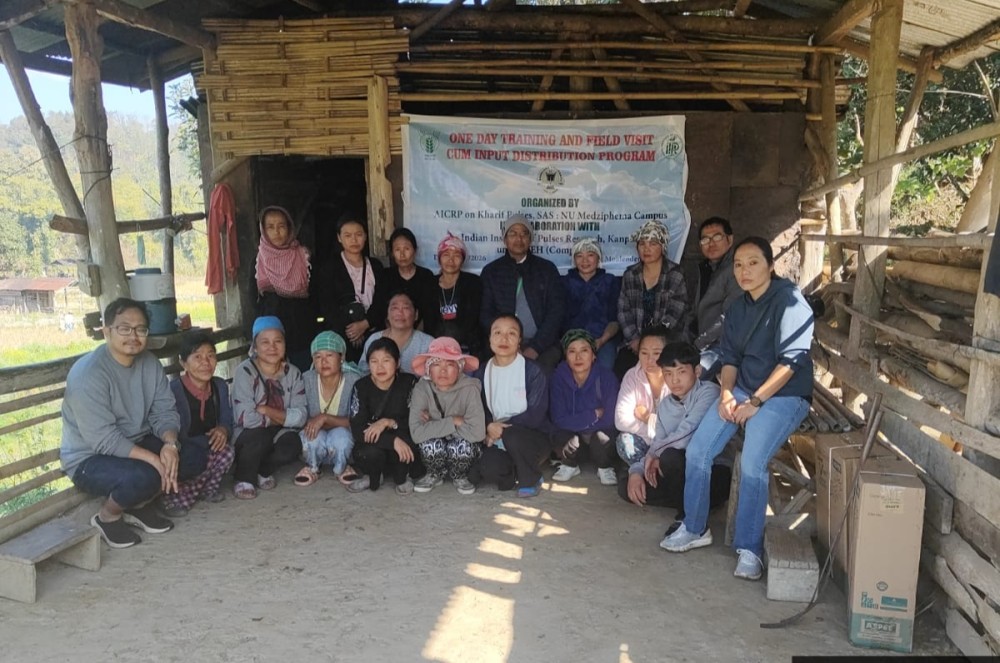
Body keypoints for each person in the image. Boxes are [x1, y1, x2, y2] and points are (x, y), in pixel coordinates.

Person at [660, 237, 814, 582]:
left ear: (771, 266)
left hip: (784, 394)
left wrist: (755, 402)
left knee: (752, 462)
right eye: (739, 265)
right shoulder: (739, 308)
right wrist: (727, 394)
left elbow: (791, 363)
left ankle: (749, 548)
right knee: (698, 450)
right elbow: (729, 358)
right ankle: (694, 527)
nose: (744, 271)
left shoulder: (789, 301)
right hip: (743, 388)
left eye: (753, 263)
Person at [60, 298, 195, 548]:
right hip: (89, 458)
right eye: (124, 328)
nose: (133, 336)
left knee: (191, 455)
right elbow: (103, 440)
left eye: (140, 329)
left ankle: (138, 505)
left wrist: (170, 444)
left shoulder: (150, 364)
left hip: (134, 443)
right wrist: (154, 459)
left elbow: (164, 410)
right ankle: (107, 517)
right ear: (106, 331)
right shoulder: (88, 375)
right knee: (145, 475)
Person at [619, 341, 732, 535]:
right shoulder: (665, 405)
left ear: (697, 371)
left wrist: (654, 455)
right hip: (679, 474)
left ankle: (686, 517)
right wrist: (637, 471)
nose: (675, 380)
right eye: (668, 374)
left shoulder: (709, 393)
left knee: (670, 457)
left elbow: (685, 435)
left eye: (681, 372)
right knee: (626, 486)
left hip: (712, 473)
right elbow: (657, 441)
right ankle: (697, 502)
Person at [471, 315, 552, 498]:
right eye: (497, 333)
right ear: (490, 338)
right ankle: (515, 474)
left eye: (511, 333)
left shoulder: (533, 371)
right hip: (496, 437)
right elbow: (477, 408)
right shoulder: (482, 372)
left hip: (531, 438)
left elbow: (535, 415)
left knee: (513, 435)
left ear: (520, 340)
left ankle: (531, 479)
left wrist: (501, 429)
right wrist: (488, 426)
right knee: (489, 466)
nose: (504, 339)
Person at [231, 316, 307, 499]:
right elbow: (246, 418)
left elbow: (301, 416)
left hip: (278, 430)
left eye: (278, 341)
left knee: (293, 444)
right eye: (265, 342)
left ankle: (263, 470)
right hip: (248, 433)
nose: (272, 347)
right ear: (255, 347)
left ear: (285, 344)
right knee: (260, 438)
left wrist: (267, 410)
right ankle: (244, 478)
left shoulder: (293, 373)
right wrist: (282, 418)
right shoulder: (245, 371)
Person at [480, 215, 565, 373]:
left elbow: (556, 313)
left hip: (541, 345)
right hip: (502, 343)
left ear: (530, 239)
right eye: (513, 234)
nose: (519, 239)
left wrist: (535, 348)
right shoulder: (491, 271)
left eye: (524, 234)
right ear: (505, 239)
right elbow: (485, 314)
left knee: (540, 375)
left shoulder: (546, 269)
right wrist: (508, 344)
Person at [163, 332, 235, 517]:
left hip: (207, 445)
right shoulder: (173, 391)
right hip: (184, 449)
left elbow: (227, 418)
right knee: (194, 459)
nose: (206, 362)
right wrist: (202, 444)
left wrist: (223, 430)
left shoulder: (219, 385)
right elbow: (173, 432)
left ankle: (204, 490)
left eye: (210, 355)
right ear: (183, 363)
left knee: (227, 451)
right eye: (197, 357)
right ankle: (178, 495)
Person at [347, 337, 426, 494]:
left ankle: (403, 476)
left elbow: (416, 420)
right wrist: (392, 441)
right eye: (374, 361)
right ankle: (373, 475)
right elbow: (357, 428)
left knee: (407, 446)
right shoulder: (361, 387)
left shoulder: (409, 383)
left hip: (403, 436)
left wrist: (388, 422)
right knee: (368, 453)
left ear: (397, 363)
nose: (380, 367)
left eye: (386, 360)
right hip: (376, 443)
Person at [409, 337, 485, 495]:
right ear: (429, 369)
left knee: (460, 447)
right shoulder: (422, 389)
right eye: (436, 364)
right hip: (444, 439)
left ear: (459, 368)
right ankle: (434, 474)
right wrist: (454, 421)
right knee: (430, 445)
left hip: (463, 445)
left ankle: (460, 476)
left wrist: (434, 424)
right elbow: (416, 433)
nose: (443, 371)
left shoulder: (470, 389)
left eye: (450, 365)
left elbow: (478, 433)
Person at [615, 219, 689, 379]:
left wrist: (652, 343)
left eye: (653, 243)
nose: (646, 249)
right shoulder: (630, 274)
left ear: (663, 247)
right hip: (635, 343)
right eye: (642, 244)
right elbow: (623, 311)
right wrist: (635, 340)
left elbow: (675, 313)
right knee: (622, 369)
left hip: (667, 341)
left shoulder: (675, 274)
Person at [549, 329, 620, 486]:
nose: (578, 357)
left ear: (593, 355)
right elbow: (558, 418)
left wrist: (582, 425)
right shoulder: (559, 377)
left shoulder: (606, 377)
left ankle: (604, 466)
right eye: (572, 351)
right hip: (574, 437)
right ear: (566, 356)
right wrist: (592, 415)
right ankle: (570, 464)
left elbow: (610, 419)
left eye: (584, 350)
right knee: (561, 436)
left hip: (598, 435)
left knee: (602, 438)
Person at [293, 331, 361, 487]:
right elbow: (300, 417)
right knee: (313, 437)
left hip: (342, 438)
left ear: (341, 357)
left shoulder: (354, 381)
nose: (324, 361)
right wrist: (325, 424)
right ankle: (312, 467)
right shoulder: (306, 379)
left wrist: (324, 418)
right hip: (316, 438)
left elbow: (358, 420)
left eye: (329, 355)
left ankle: (342, 466)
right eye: (318, 357)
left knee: (341, 437)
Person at [313, 213, 383, 363]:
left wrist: (365, 324)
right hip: (342, 334)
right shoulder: (329, 268)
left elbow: (382, 299)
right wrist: (352, 331)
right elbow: (327, 305)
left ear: (365, 236)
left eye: (359, 234)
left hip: (374, 331)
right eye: (347, 235)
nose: (354, 240)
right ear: (339, 238)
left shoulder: (376, 266)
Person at [254, 205, 314, 371]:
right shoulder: (259, 261)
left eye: (281, 226)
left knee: (302, 375)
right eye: (270, 227)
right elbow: (253, 301)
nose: (277, 232)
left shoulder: (303, 256)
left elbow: (315, 294)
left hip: (302, 331)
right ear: (263, 230)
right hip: (271, 333)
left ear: (289, 228)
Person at [614, 325, 674, 466]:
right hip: (643, 441)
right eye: (644, 353)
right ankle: (641, 469)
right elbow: (621, 420)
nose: (649, 359)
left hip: (671, 443)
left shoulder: (677, 378)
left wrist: (647, 417)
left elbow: (676, 426)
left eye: (656, 353)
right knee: (624, 441)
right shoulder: (632, 376)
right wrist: (654, 430)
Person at [691, 217, 741, 380]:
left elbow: (729, 317)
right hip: (703, 341)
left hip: (724, 345)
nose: (711, 243)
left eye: (717, 237)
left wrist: (698, 344)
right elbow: (694, 310)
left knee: (691, 376)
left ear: (730, 239)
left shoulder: (736, 268)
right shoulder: (706, 267)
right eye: (705, 239)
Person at [562, 238, 621, 370]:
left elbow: (614, 320)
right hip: (572, 341)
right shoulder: (565, 282)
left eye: (590, 255)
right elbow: (560, 319)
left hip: (603, 340)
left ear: (598, 258)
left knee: (604, 368)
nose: (585, 261)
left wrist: (601, 340)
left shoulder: (610, 281)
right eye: (579, 256)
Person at [424, 232, 483, 359]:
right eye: (446, 255)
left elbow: (474, 321)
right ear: (439, 259)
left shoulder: (473, 283)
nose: (451, 260)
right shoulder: (429, 285)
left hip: (467, 349)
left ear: (463, 260)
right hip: (437, 349)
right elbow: (428, 322)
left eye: (457, 255)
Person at [368, 227, 438, 331]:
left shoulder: (426, 276)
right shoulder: (386, 276)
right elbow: (379, 308)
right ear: (392, 253)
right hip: (390, 332)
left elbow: (429, 313)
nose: (402, 255)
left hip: (419, 332)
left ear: (415, 250)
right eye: (397, 250)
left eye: (406, 249)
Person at [358, 292, 435, 375]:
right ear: (387, 315)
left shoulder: (428, 343)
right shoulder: (374, 339)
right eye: (395, 308)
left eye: (405, 308)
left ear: (416, 315)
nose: (399, 313)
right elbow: (363, 372)